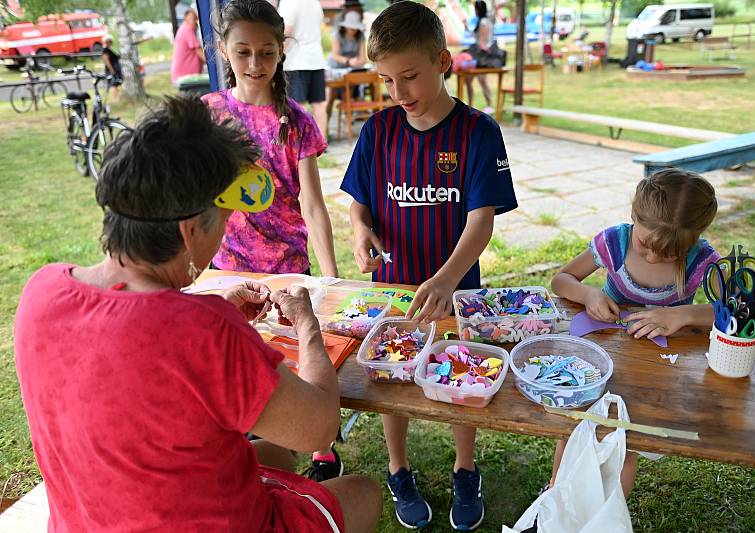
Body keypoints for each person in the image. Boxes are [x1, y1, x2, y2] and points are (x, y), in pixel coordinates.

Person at [13, 95, 382, 533]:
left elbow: (134, 363)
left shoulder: (42, 290)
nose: (223, 236)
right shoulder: (204, 331)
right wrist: (307, 325)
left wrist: (219, 322)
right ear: (189, 231)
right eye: (223, 222)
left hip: (90, 517)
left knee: (275, 455)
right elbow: (318, 428)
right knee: (364, 493)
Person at [340, 2, 517, 529]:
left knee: (463, 378)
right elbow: (358, 200)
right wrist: (359, 228)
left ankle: (466, 468)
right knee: (391, 379)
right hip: (393, 289)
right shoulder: (379, 131)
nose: (399, 93)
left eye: (410, 77)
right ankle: (399, 468)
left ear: (443, 61)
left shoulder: (478, 132)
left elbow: (481, 221)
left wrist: (445, 279)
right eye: (387, 80)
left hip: (453, 289)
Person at [205, 0, 341, 482]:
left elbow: (313, 205)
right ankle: (258, 444)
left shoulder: (297, 121)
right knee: (244, 364)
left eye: (266, 51)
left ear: (281, 51)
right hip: (229, 269)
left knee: (299, 354)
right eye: (243, 52)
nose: (256, 64)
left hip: (289, 266)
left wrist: (329, 276)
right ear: (223, 50)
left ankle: (322, 444)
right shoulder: (209, 117)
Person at [547, 168, 721, 499]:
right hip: (601, 359)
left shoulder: (701, 260)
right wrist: (589, 295)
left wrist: (682, 315)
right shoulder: (614, 242)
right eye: (645, 245)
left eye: (671, 253)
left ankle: (610, 508)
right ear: (633, 216)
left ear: (694, 239)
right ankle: (555, 493)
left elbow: (736, 312)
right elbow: (562, 279)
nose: (654, 257)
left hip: (656, 369)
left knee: (628, 437)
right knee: (575, 426)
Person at [278, 0, 328, 139]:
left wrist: (277, 57)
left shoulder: (289, 2)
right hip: (316, 59)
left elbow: (287, 31)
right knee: (319, 105)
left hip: (296, 62)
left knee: (297, 106)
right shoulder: (315, 2)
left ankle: (301, 144)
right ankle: (321, 142)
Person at [326, 11, 367, 128]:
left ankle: (349, 116)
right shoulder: (337, 35)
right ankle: (326, 125)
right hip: (336, 67)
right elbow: (335, 55)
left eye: (356, 28)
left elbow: (362, 57)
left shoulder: (360, 36)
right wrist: (349, 61)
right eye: (351, 28)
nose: (354, 30)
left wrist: (358, 62)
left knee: (349, 92)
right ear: (346, 26)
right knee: (331, 97)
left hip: (350, 69)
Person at [464, 1, 495, 113]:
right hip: (480, 55)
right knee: (470, 79)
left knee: (480, 80)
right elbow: (478, 38)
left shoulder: (483, 22)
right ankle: (471, 105)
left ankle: (489, 105)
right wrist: (467, 28)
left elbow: (482, 42)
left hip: (481, 56)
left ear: (478, 9)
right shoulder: (483, 21)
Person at [171, 8, 206, 85]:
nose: (196, 22)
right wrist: (214, 63)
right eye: (194, 19)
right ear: (186, 18)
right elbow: (199, 51)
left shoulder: (182, 29)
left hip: (182, 77)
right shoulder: (188, 29)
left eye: (197, 19)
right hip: (186, 78)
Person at [101, 34, 122, 99]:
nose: (109, 42)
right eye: (108, 41)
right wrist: (111, 70)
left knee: (116, 83)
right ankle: (114, 98)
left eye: (110, 41)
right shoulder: (105, 50)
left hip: (115, 68)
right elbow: (106, 60)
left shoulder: (110, 49)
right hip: (111, 69)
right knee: (113, 84)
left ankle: (117, 97)